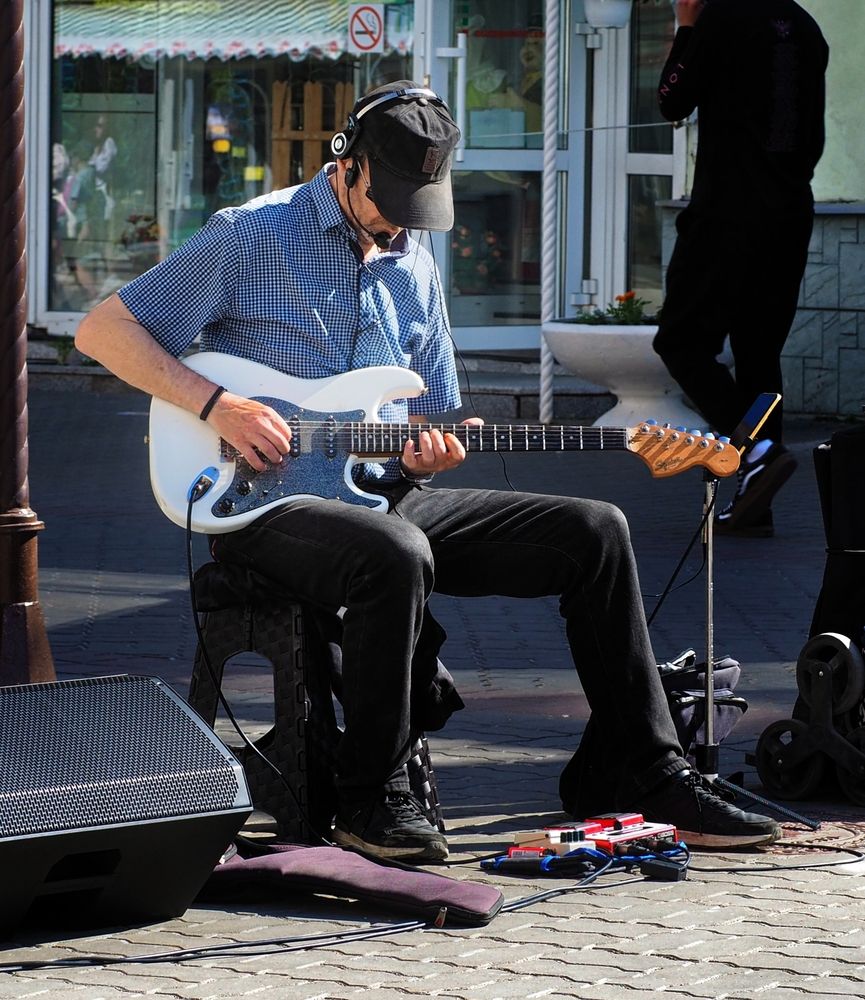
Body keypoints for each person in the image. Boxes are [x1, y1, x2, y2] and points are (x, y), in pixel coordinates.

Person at [75, 80, 779, 862]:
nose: (400, 225)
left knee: (595, 530)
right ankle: (370, 800)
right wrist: (219, 407)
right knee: (395, 553)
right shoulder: (251, 235)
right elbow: (105, 330)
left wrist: (430, 447)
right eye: (391, 202)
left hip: (375, 495)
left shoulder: (414, 264)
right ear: (347, 163)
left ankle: (647, 771)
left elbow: (430, 415)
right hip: (257, 508)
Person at [653, 0, 829, 537]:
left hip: (727, 212)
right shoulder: (804, 25)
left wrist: (686, 28)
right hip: (789, 212)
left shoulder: (721, 19)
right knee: (759, 356)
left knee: (681, 344)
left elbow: (671, 99)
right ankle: (758, 497)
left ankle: (759, 451)